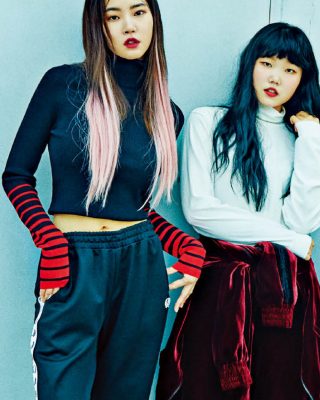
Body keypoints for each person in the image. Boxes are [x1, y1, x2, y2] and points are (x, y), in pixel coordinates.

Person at [2, 0, 204, 398]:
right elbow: (16, 176)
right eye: (114, 15)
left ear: (154, 19)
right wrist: (50, 241)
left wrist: (185, 245)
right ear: (99, 25)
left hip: (140, 267)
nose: (128, 25)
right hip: (72, 262)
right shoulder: (62, 86)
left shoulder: (167, 113)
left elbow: (136, 207)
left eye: (138, 12)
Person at [156, 23, 320, 399]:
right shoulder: (208, 121)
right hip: (221, 285)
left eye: (290, 69)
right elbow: (199, 210)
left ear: (302, 79)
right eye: (267, 63)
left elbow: (303, 220)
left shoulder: (297, 138)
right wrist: (290, 240)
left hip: (281, 295)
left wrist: (311, 140)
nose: (275, 77)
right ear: (250, 65)